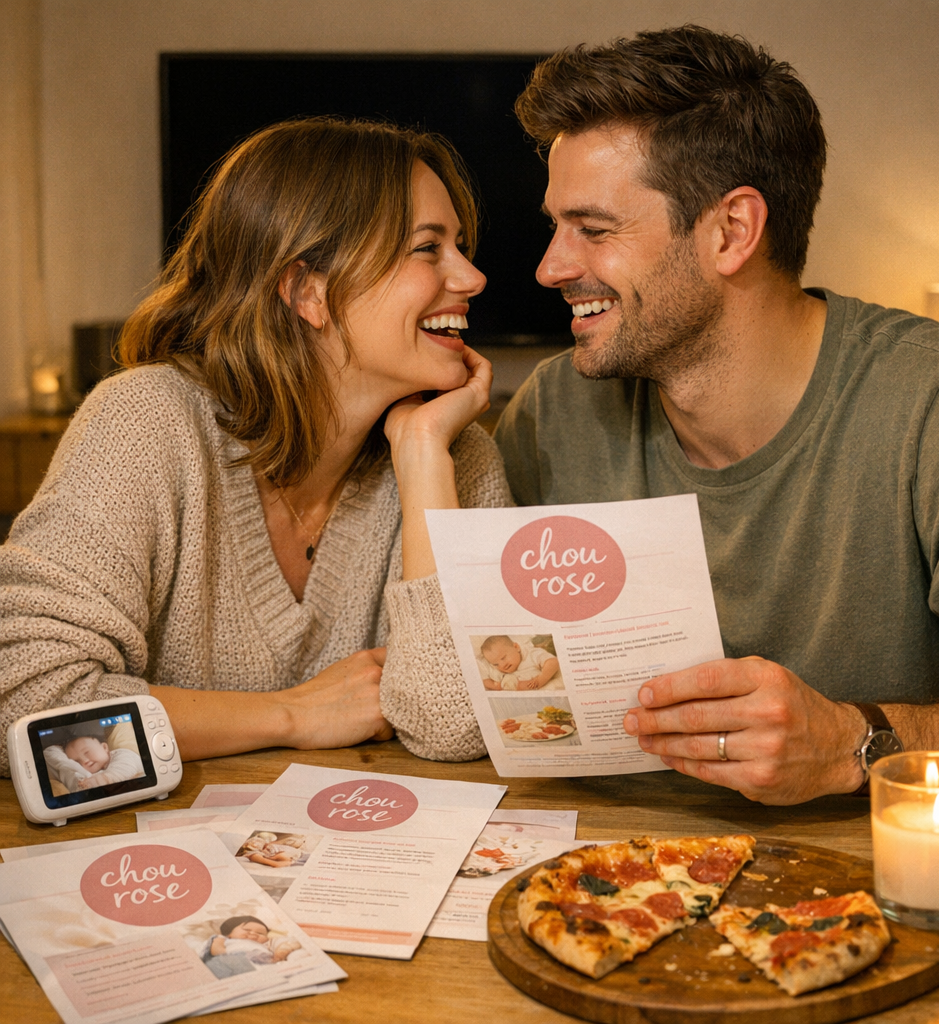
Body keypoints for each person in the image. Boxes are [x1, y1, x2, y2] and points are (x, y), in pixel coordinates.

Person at [494, 25, 939, 803]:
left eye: (594, 230)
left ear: (732, 231)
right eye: (555, 227)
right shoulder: (553, 410)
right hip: (596, 860)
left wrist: (853, 743)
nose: (551, 266)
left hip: (850, 866)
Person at [0, 117, 509, 775]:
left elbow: (457, 728)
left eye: (460, 246)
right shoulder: (145, 423)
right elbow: (22, 704)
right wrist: (292, 715)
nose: (473, 277)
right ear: (307, 291)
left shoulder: (453, 455)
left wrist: (422, 457)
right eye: (427, 248)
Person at [200, 915, 301, 977]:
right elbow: (216, 950)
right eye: (247, 930)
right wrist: (228, 956)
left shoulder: (267, 944)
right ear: (229, 933)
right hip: (232, 958)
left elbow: (286, 943)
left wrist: (279, 954)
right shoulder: (223, 939)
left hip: (263, 961)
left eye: (261, 933)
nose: (253, 934)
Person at [43, 732, 144, 791]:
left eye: (87, 752)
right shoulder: (90, 774)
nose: (84, 761)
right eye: (77, 762)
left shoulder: (123, 754)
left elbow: (122, 773)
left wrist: (96, 782)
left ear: (104, 747)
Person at [479, 635, 561, 690]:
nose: (502, 665)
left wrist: (540, 679)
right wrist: (498, 686)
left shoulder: (531, 655)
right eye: (496, 664)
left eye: (503, 658)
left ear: (516, 647)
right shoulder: (498, 673)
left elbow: (553, 662)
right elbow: (485, 681)